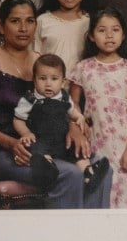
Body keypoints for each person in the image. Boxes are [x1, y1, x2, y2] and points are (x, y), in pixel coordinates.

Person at [0, 0, 112, 209]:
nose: (23, 28)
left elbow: (60, 101)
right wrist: (11, 143)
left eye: (30, 21)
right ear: (1, 26)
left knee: (101, 169)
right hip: (0, 149)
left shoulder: (40, 60)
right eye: (15, 21)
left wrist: (72, 126)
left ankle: (88, 237)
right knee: (69, 174)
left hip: (45, 145)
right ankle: (61, 240)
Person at [69, 6, 127, 208]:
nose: (109, 35)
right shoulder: (83, 67)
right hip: (95, 141)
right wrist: (79, 124)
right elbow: (72, 102)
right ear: (92, 36)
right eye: (102, 30)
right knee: (100, 193)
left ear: (123, 34)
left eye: (115, 30)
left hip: (124, 143)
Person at [12, 53, 109, 192]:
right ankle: (47, 170)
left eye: (54, 79)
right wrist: (26, 132)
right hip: (40, 139)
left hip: (62, 140)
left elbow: (72, 112)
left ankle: (88, 173)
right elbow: (18, 120)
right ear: (34, 80)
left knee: (76, 150)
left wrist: (79, 117)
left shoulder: (64, 96)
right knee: (35, 149)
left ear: (63, 82)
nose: (48, 84)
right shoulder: (30, 98)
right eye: (42, 78)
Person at [33, 0, 98, 73]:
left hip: (83, 87)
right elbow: (34, 59)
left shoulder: (92, 22)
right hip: (49, 87)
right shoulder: (42, 21)